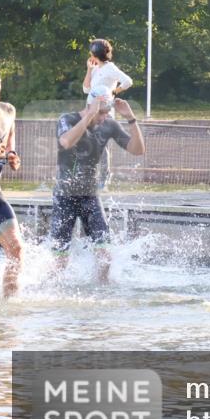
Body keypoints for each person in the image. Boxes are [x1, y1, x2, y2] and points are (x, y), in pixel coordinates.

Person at [50, 94, 145, 283]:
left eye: (106, 112)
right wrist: (89, 116)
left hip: (90, 197)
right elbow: (66, 142)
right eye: (100, 112)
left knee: (105, 257)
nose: (103, 117)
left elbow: (138, 150)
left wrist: (131, 118)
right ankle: (50, 292)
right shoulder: (67, 119)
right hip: (64, 196)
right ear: (90, 106)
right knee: (60, 261)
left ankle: (100, 292)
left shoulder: (109, 125)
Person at [82, 39, 132, 190]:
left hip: (104, 113)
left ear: (94, 54)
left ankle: (103, 180)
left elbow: (128, 81)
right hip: (90, 112)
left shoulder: (110, 68)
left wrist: (113, 92)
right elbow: (86, 89)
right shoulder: (95, 68)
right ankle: (89, 177)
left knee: (101, 146)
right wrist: (89, 70)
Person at [0, 67, 24, 298]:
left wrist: (12, 155)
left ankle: (8, 307)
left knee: (16, 249)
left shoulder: (8, 110)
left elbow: (9, 140)